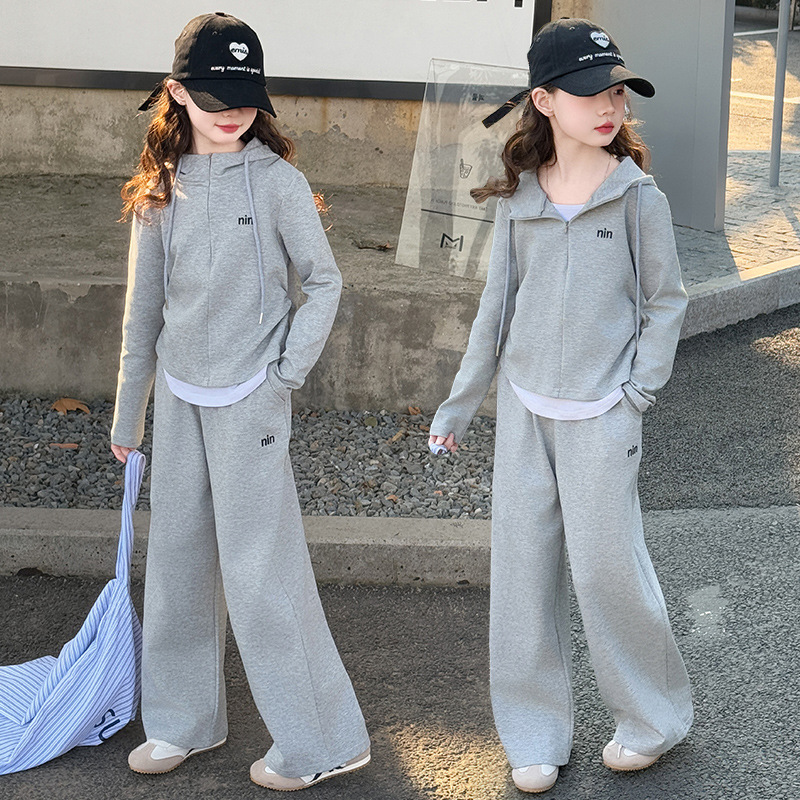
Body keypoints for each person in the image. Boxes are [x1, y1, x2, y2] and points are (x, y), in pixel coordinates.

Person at [429, 18, 693, 794]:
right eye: (588, 93)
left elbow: (666, 302)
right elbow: (495, 309)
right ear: (544, 101)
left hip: (603, 416)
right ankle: (534, 733)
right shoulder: (519, 199)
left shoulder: (638, 198)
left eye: (617, 92)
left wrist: (636, 394)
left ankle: (652, 721)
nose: (609, 106)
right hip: (524, 414)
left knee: (611, 575)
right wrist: (460, 403)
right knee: (522, 580)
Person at [110, 12, 370, 791]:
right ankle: (181, 723)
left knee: (262, 577)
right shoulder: (160, 191)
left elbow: (324, 283)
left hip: (251, 401)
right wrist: (129, 414)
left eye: (246, 97)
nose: (232, 112)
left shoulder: (279, 183)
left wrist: (283, 376)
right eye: (215, 97)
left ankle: (321, 742)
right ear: (176, 92)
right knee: (178, 563)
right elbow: (142, 314)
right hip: (180, 400)